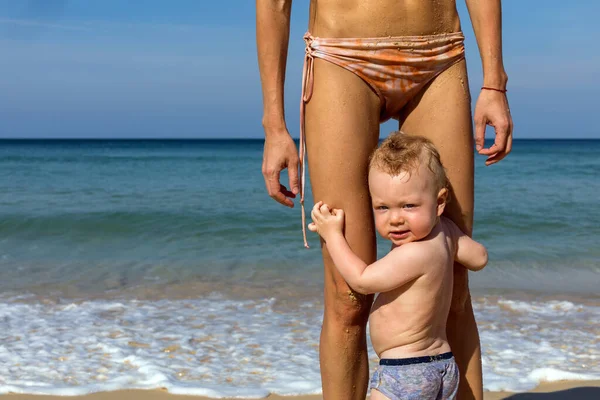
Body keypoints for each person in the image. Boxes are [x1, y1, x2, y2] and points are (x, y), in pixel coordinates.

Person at [256, 1, 513, 399]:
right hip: (340, 56)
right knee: (348, 296)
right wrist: (275, 125)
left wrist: (494, 82)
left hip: (439, 54)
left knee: (454, 285)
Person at [308, 132, 488, 400]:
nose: (395, 219)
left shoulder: (413, 253)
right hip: (443, 367)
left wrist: (333, 235)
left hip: (406, 372)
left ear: (440, 202)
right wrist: (450, 237)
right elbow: (480, 258)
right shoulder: (446, 234)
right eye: (382, 208)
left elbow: (362, 279)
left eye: (408, 206)